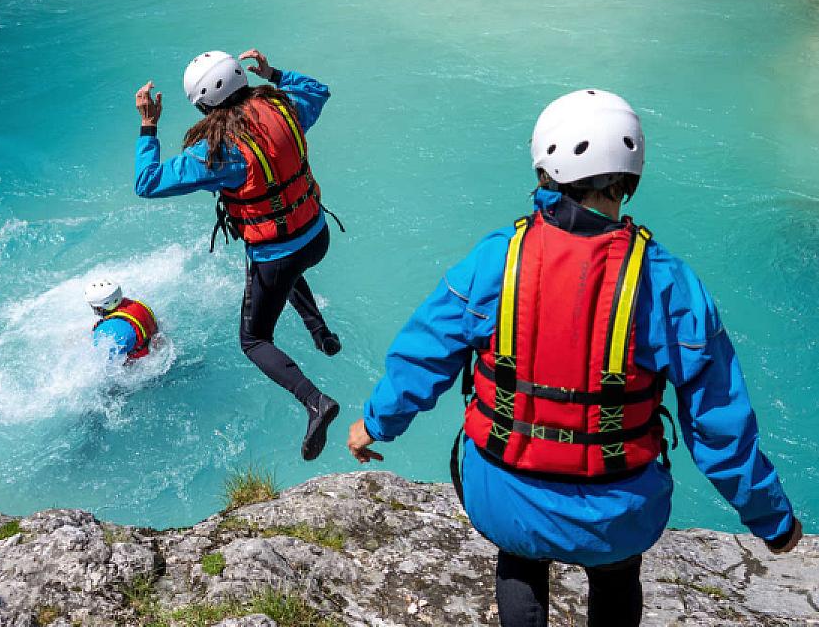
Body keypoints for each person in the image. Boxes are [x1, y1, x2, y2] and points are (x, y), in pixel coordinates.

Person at [347, 89, 803, 626]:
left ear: (546, 167)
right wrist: (773, 522)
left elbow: (423, 356)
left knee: (518, 557)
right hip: (618, 515)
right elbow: (720, 427)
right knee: (616, 573)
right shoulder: (668, 283)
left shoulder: (498, 258)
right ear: (629, 177)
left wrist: (374, 425)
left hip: (505, 494)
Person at [132, 48, 343, 460]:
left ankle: (315, 401)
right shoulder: (286, 110)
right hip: (316, 235)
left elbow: (147, 181)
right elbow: (319, 90)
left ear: (203, 104)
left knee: (254, 339)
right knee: (285, 267)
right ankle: (323, 335)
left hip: (278, 253)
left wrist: (148, 125)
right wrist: (275, 72)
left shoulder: (219, 151)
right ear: (242, 80)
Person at [86, 279, 159, 363]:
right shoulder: (137, 305)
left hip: (141, 364)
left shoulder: (115, 330)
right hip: (152, 349)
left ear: (100, 308)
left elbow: (102, 361)